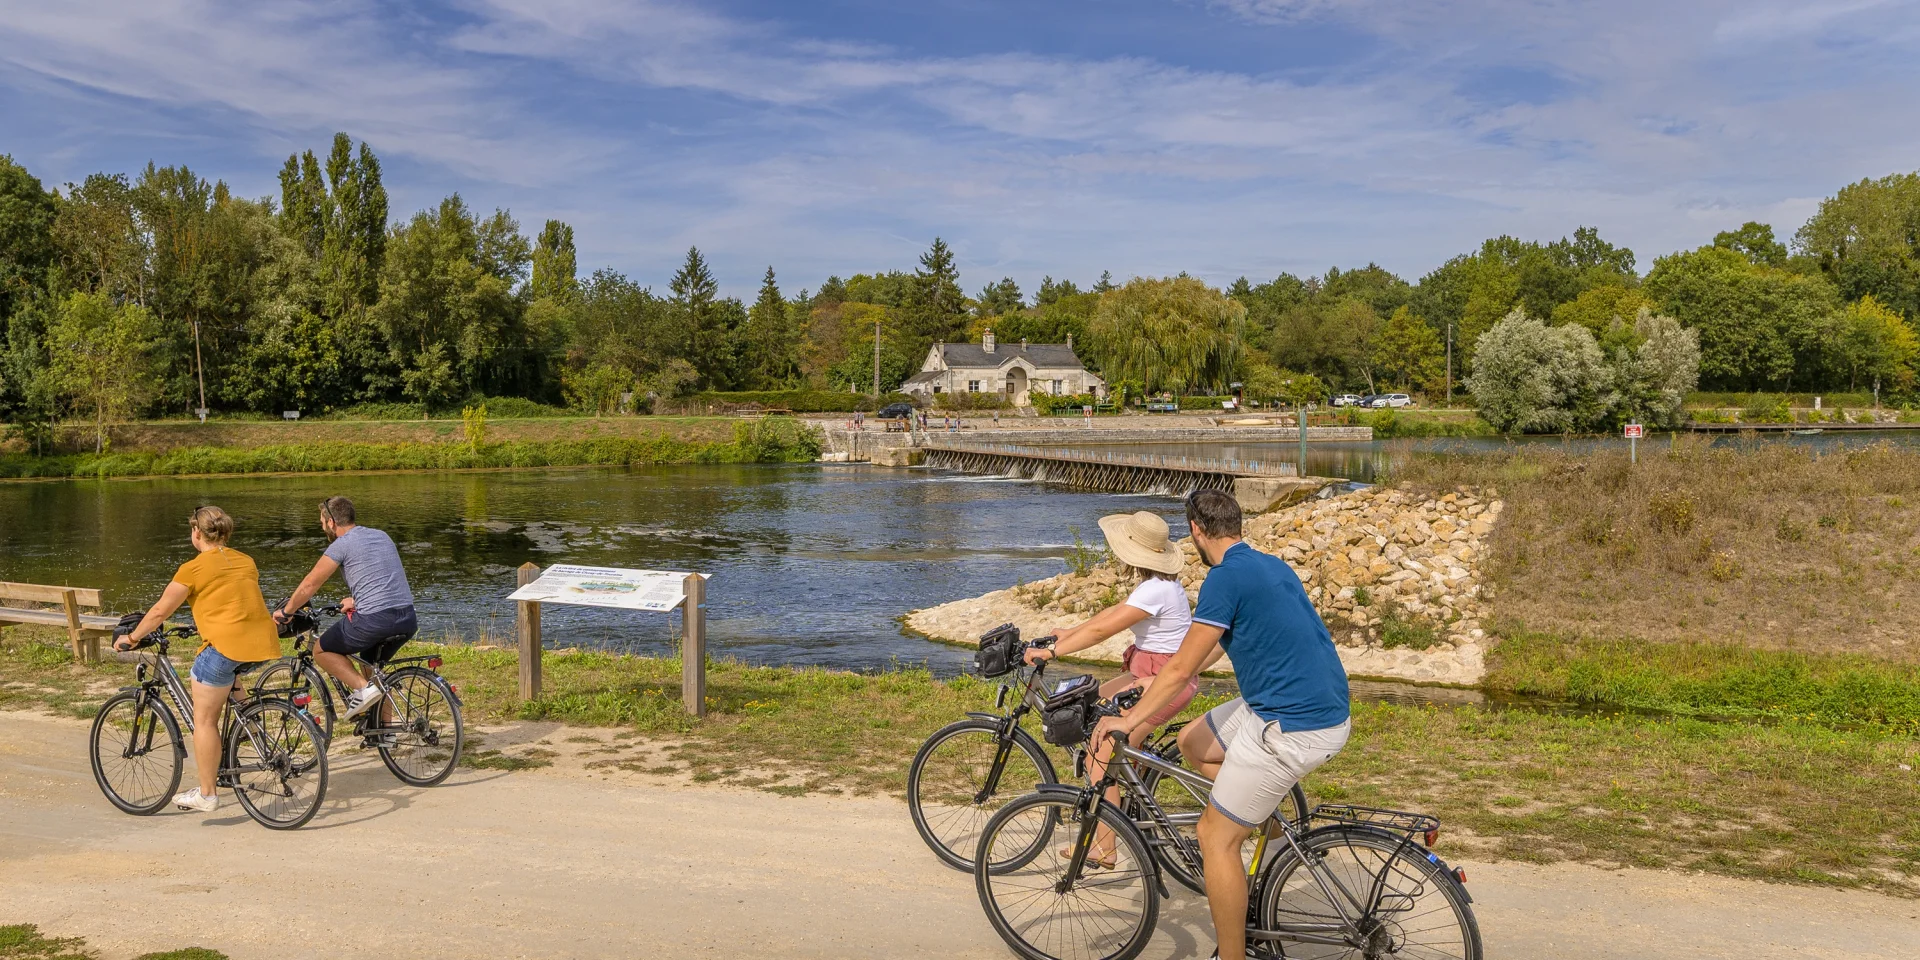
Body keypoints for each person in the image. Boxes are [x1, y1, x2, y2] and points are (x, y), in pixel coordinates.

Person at [1093, 490, 1350, 960]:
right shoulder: (1269, 565)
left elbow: (1173, 672)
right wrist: (1178, 674)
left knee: (1213, 837)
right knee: (1193, 742)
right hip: (1311, 706)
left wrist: (1130, 719)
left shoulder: (1223, 579)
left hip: (1290, 723)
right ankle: (1260, 814)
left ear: (1195, 530)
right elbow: (1203, 653)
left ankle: (1232, 955)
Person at [1025, 510, 1197, 866]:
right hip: (1148, 675)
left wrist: (1052, 651)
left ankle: (1105, 846)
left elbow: (1104, 632)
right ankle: (1123, 790)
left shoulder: (1155, 590)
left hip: (1161, 681)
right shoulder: (1158, 585)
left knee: (1098, 748)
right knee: (1092, 705)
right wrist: (1069, 634)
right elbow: (1109, 616)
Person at [114, 506, 282, 814]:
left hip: (225, 648)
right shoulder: (246, 560)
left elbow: (159, 612)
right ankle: (257, 736)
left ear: (196, 533)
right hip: (262, 645)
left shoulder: (192, 568)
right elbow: (232, 600)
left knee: (204, 719)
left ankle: (207, 794)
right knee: (229, 678)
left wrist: (133, 638)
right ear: (226, 533)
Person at [276, 496, 418, 720]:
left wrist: (287, 612)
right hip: (407, 618)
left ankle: (363, 689)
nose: (323, 527)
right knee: (372, 666)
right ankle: (385, 730)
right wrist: (356, 599)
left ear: (331, 522)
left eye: (322, 523)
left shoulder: (341, 544)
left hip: (376, 620)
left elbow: (311, 583)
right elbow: (382, 576)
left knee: (321, 650)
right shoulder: (381, 535)